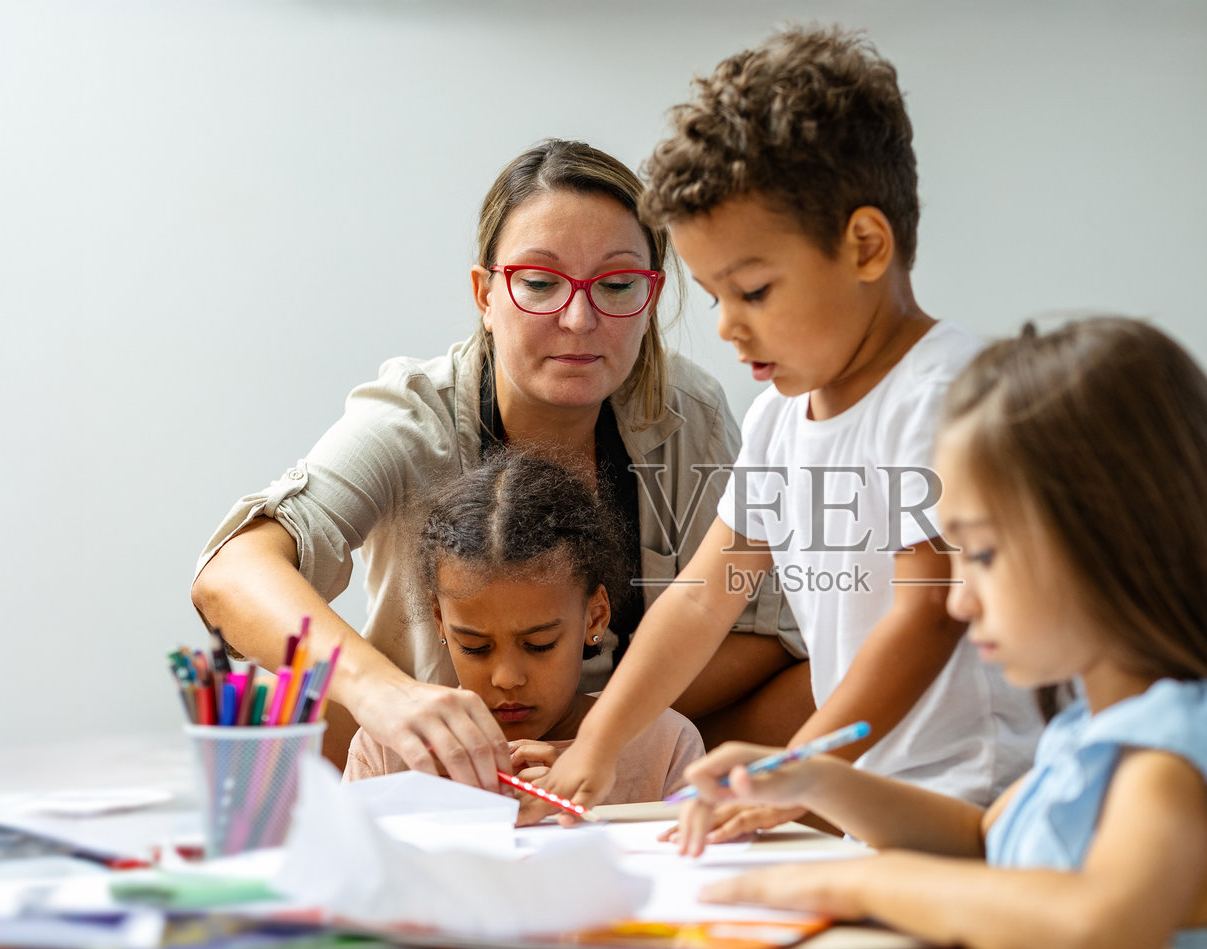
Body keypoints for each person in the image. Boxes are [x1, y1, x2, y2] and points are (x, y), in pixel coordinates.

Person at [676, 319, 1207, 949]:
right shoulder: (1090, 731)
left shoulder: (1172, 754)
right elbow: (983, 841)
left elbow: (1098, 930)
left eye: (980, 553)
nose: (957, 600)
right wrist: (818, 780)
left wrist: (866, 886)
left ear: (1107, 538)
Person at [533, 27, 1042, 826]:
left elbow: (926, 613)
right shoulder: (778, 416)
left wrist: (798, 771)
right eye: (714, 297)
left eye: (756, 291)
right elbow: (703, 599)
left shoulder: (943, 394)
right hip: (852, 794)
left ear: (866, 245)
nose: (729, 327)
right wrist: (596, 743)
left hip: (961, 790)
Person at [191, 139, 805, 792]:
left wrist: (596, 728)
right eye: (540, 283)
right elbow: (230, 573)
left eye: (617, 284)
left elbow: (768, 626)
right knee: (254, 710)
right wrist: (390, 697)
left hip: (632, 742)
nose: (577, 318)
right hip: (430, 752)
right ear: (486, 294)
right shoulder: (409, 417)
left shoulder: (689, 409)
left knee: (825, 685)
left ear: (651, 296)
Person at [343, 448, 703, 823]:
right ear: (439, 620)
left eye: (539, 644)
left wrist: (584, 810)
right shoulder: (393, 748)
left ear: (595, 617)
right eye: (475, 647)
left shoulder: (663, 745)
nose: (507, 679)